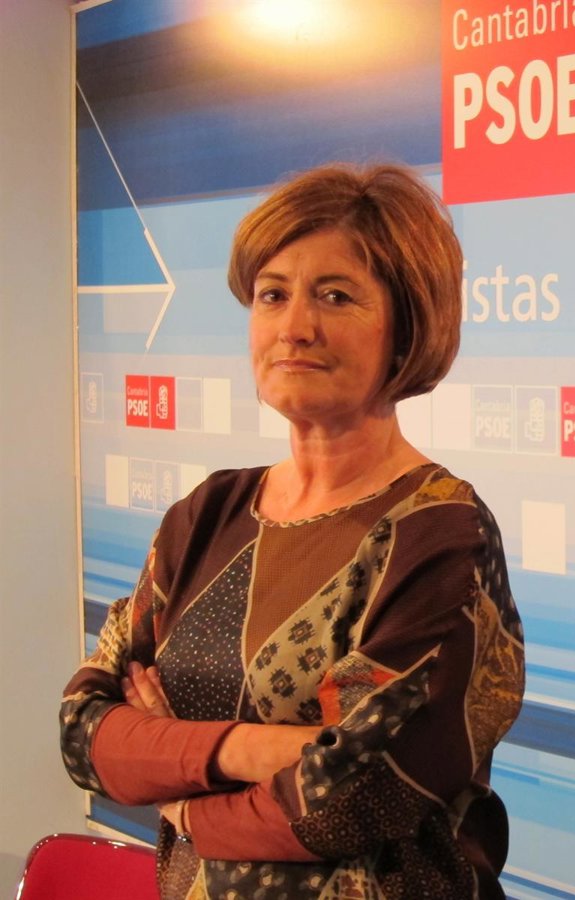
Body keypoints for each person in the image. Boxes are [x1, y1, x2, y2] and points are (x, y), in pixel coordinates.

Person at [60, 164, 525, 899]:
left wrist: (176, 791)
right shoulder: (206, 514)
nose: (295, 327)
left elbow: (353, 795)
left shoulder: (439, 533)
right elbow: (85, 731)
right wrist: (257, 748)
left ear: (407, 328)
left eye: (335, 296)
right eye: (273, 294)